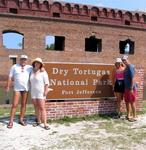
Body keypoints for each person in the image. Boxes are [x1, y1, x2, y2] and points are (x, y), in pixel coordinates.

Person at [6, 55, 32, 128]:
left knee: (23, 104)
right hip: (17, 88)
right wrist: (8, 86)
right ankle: (11, 121)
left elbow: (37, 70)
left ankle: (21, 119)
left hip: (26, 89)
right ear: (20, 60)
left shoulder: (30, 67)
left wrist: (42, 69)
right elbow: (10, 77)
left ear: (26, 60)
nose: (24, 61)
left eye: (25, 59)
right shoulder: (14, 66)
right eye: (22, 59)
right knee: (14, 104)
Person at [30, 58, 50, 130]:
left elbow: (47, 83)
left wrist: (46, 91)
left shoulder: (43, 72)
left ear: (41, 64)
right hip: (33, 92)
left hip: (40, 92)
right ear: (34, 63)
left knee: (42, 108)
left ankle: (45, 124)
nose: (37, 64)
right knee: (36, 108)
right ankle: (38, 121)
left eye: (39, 63)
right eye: (36, 62)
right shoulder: (31, 71)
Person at [121, 55, 138, 121]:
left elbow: (132, 78)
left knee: (132, 101)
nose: (124, 61)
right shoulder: (126, 67)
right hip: (126, 87)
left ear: (128, 59)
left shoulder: (131, 66)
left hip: (131, 88)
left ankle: (134, 115)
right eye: (123, 60)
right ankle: (128, 114)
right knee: (127, 101)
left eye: (125, 60)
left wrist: (131, 88)